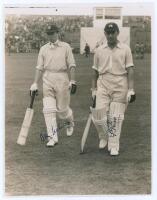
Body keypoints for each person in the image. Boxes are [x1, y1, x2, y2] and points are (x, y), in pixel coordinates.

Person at [91, 22, 136, 156]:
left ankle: (114, 144)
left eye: (113, 32)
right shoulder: (99, 50)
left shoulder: (125, 49)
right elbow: (94, 71)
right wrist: (93, 89)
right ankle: (104, 136)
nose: (110, 35)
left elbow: (130, 70)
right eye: (108, 33)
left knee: (116, 117)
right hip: (103, 84)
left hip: (120, 84)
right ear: (105, 34)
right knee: (98, 117)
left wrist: (131, 89)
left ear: (117, 33)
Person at [30, 24, 77, 147]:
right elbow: (39, 68)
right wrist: (35, 83)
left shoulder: (66, 47)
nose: (50, 35)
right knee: (48, 109)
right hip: (47, 79)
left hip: (62, 78)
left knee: (62, 110)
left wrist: (73, 81)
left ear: (57, 33)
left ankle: (70, 122)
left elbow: (71, 65)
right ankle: (52, 138)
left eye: (52, 33)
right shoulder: (43, 49)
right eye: (48, 33)